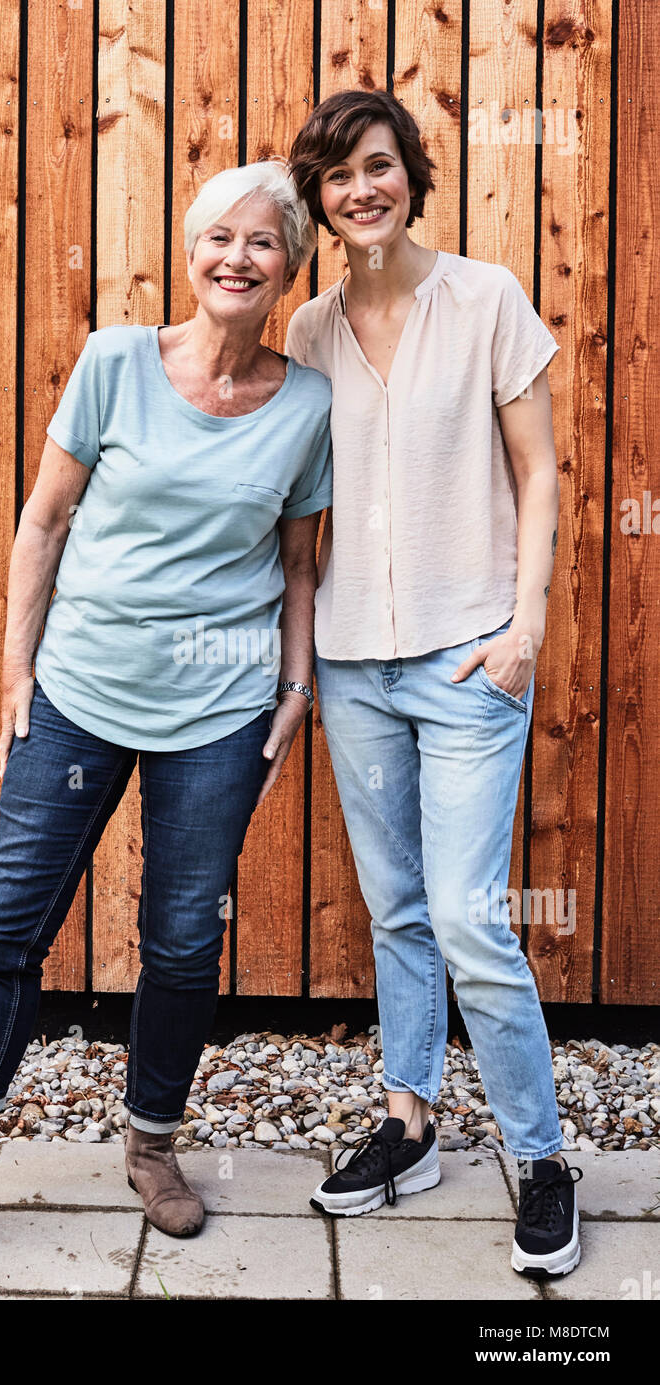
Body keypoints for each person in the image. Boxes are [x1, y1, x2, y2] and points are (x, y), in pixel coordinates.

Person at [0, 159, 332, 1244]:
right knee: (7, 921)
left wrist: (293, 689)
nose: (236, 257)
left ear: (290, 263)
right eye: (217, 238)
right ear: (189, 255)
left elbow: (297, 567)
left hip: (221, 710)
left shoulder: (306, 404)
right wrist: (15, 675)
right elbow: (43, 522)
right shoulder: (113, 362)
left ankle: (150, 1145)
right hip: (82, 690)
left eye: (262, 241)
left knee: (183, 940)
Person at [285, 89, 583, 1278]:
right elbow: (296, 511)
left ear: (410, 170)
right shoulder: (305, 332)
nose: (360, 191)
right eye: (336, 178)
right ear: (316, 202)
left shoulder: (486, 299)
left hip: (469, 653)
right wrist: (298, 660)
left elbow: (540, 469)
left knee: (465, 915)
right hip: (354, 661)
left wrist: (526, 627)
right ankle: (406, 1125)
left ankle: (542, 1157)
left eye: (376, 166)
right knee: (396, 907)